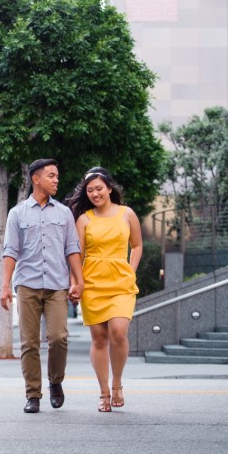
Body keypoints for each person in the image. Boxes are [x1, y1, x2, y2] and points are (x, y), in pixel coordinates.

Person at [0, 158, 83, 414]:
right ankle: (33, 394)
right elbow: (11, 251)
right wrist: (5, 286)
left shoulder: (64, 212)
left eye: (57, 175)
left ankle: (55, 381)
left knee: (58, 337)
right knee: (29, 343)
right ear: (36, 179)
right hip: (27, 285)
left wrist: (77, 281)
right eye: (51, 175)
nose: (56, 179)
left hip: (57, 284)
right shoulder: (18, 213)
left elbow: (72, 248)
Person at [65, 167, 142, 412]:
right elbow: (77, 255)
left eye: (99, 188)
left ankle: (117, 384)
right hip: (93, 284)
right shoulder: (84, 219)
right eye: (90, 190)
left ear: (109, 188)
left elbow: (138, 245)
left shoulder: (127, 214)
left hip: (121, 283)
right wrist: (75, 283)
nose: (95, 193)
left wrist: (131, 269)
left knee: (118, 332)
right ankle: (103, 392)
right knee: (99, 340)